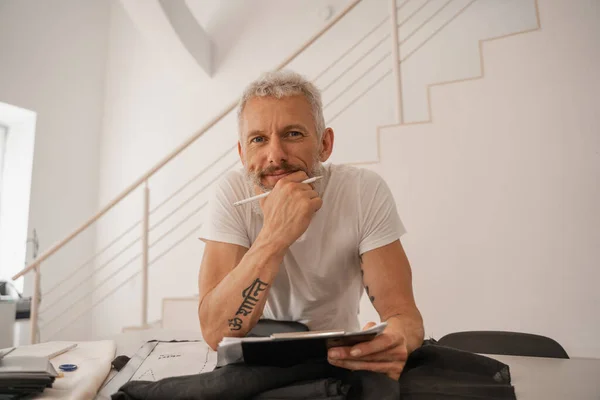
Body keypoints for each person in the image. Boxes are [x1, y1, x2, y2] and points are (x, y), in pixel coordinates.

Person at [198, 70, 424, 380]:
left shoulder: (362, 191)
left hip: (338, 362)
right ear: (242, 152)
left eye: (293, 134)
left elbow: (404, 315)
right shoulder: (230, 193)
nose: (275, 156)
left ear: (324, 144)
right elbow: (215, 332)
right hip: (256, 367)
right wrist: (275, 235)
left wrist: (396, 340)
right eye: (258, 139)